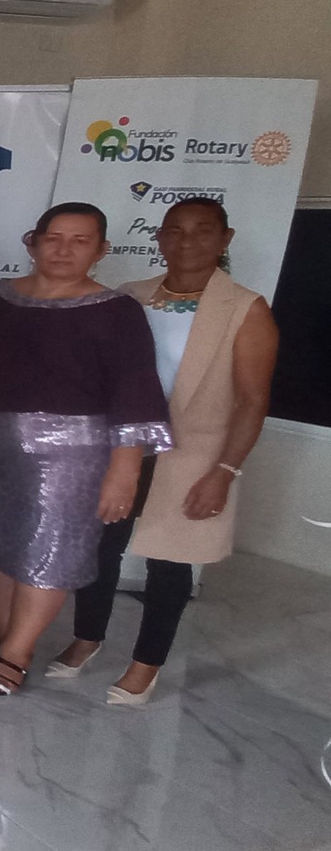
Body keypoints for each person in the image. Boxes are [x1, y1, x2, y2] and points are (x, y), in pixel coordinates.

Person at [50, 198, 276, 704]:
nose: (186, 241)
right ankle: (87, 637)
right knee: (99, 546)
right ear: (159, 237)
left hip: (195, 453)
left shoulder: (245, 308)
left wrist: (224, 471)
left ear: (225, 238)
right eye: (174, 230)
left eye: (202, 231)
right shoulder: (130, 296)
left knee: (170, 562)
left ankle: (145, 664)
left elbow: (252, 402)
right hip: (123, 446)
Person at [0, 203, 170, 699]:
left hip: (73, 452)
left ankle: (17, 653)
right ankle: (5, 635)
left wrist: (125, 470)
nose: (63, 250)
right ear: (32, 241)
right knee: (1, 542)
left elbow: (134, 390)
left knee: (52, 549)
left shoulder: (117, 311)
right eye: (54, 237)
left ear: (102, 250)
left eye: (80, 241)